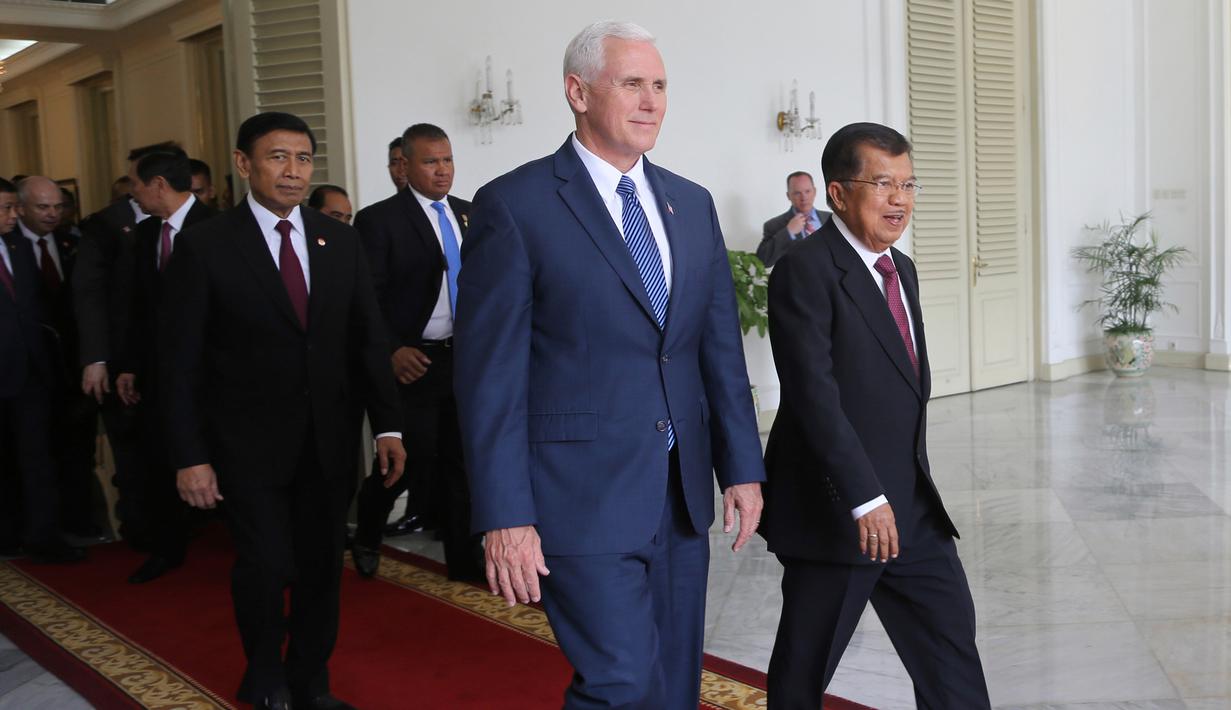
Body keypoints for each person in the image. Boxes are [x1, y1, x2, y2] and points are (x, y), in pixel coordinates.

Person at [454, 21, 765, 709]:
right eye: (631, 83)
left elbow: (716, 348)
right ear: (577, 91)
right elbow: (490, 380)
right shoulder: (516, 205)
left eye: (658, 85)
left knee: (672, 686)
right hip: (577, 497)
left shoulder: (691, 203)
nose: (651, 100)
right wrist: (505, 516)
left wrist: (740, 466)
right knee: (619, 682)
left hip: (679, 497)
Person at [161, 111, 405, 710]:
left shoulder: (339, 239)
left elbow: (367, 341)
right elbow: (179, 362)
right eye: (277, 157)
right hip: (246, 447)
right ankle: (266, 676)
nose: (292, 172)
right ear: (245, 164)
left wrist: (388, 425)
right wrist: (190, 457)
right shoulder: (207, 245)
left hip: (327, 440)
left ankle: (311, 681)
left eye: (302, 159)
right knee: (267, 566)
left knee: (323, 568)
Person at [761, 122, 990, 709]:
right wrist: (865, 497)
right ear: (838, 193)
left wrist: (896, 492)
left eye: (908, 184)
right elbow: (814, 395)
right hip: (841, 510)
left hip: (911, 505)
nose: (899, 200)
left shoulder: (900, 269)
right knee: (803, 672)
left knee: (950, 654)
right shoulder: (804, 269)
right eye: (882, 184)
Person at [352, 123, 482, 582]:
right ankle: (367, 531)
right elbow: (364, 298)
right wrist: (391, 349)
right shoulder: (379, 220)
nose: (442, 170)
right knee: (406, 461)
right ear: (405, 166)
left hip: (462, 359)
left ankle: (466, 565)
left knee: (462, 463)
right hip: (412, 362)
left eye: (447, 160)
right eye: (431, 161)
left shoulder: (471, 214)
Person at [116, 150, 215, 584]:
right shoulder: (145, 234)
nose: (132, 192)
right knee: (161, 458)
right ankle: (168, 546)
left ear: (157, 184)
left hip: (215, 374)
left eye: (135, 184)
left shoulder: (219, 229)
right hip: (162, 375)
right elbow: (139, 310)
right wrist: (130, 366)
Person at [74, 143, 175, 546]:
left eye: (139, 180)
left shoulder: (196, 223)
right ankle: (138, 528)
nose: (134, 188)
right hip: (127, 357)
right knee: (134, 450)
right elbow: (89, 293)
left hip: (175, 361)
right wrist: (97, 358)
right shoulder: (106, 224)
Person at [0, 178, 82, 563]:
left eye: (15, 208)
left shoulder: (18, 246)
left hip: (30, 371)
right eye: (5, 209)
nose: (13, 216)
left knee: (37, 458)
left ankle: (44, 536)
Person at [16, 177, 98, 538]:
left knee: (78, 449)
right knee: (34, 453)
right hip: (28, 370)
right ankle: (42, 529)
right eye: (42, 207)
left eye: (57, 207)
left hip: (74, 366)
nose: (52, 214)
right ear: (21, 208)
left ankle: (82, 521)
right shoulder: (10, 245)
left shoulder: (74, 242)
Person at [756, 171, 831, 267]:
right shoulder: (773, 225)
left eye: (807, 191)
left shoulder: (831, 219)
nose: (804, 197)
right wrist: (788, 232)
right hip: (797, 281)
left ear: (814, 191)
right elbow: (762, 262)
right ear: (788, 196)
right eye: (797, 193)